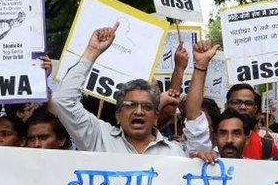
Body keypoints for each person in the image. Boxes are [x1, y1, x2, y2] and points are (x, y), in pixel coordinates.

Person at [50, 23, 186, 156]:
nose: (139, 111)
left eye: (147, 107)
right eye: (130, 105)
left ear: (156, 116)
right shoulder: (99, 139)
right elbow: (63, 100)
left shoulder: (174, 154)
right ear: (118, 115)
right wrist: (92, 51)